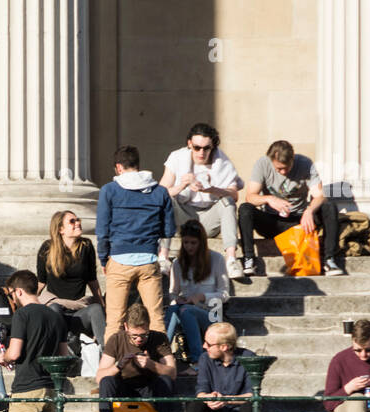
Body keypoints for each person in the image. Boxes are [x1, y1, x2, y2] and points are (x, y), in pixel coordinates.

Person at [0, 270, 70, 412]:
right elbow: (63, 356)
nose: (13, 298)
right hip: (50, 389)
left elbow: (16, 352)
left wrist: (4, 357)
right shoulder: (56, 316)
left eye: (12, 294)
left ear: (18, 291)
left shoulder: (22, 315)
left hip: (26, 389)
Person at [96, 145, 175, 341]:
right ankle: (162, 365)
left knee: (114, 319)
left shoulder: (109, 190)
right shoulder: (160, 192)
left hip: (119, 259)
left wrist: (103, 259)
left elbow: (102, 230)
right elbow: (169, 230)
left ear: (118, 167)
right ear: (138, 165)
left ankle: (111, 366)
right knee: (156, 318)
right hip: (148, 259)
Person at [239, 139, 343, 276]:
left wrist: (309, 210)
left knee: (329, 206)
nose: (282, 172)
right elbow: (250, 197)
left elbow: (320, 196)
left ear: (293, 159)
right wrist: (269, 199)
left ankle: (329, 260)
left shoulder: (305, 163)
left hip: (300, 221)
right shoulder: (262, 164)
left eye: (286, 168)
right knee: (245, 208)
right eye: (278, 169)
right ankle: (249, 259)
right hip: (272, 222)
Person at [159, 123, 244, 279]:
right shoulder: (177, 158)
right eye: (197, 147)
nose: (201, 152)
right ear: (189, 144)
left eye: (206, 148)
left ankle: (231, 259)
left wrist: (211, 189)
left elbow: (234, 194)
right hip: (183, 215)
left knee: (228, 201)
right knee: (167, 200)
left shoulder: (222, 162)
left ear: (213, 147)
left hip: (209, 218)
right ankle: (163, 257)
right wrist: (182, 185)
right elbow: (159, 194)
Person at [95, 302, 176, 412]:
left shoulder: (159, 338)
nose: (139, 340)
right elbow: (99, 377)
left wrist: (151, 364)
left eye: (144, 335)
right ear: (126, 327)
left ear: (149, 327)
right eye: (134, 336)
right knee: (107, 381)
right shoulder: (116, 339)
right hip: (124, 385)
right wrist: (119, 366)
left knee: (165, 380)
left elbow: (172, 373)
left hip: (149, 387)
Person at [36, 209, 105, 345]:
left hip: (78, 310)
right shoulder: (47, 248)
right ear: (61, 229)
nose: (77, 223)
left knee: (96, 309)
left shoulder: (86, 246)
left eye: (78, 220)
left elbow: (92, 280)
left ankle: (108, 356)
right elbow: (41, 282)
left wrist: (103, 306)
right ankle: (58, 353)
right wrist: (26, 304)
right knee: (54, 309)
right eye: (72, 221)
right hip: (56, 309)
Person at [166, 219, 229, 366]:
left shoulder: (216, 259)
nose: (189, 247)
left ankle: (197, 360)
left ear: (201, 243)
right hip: (185, 309)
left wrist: (202, 297)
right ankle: (162, 354)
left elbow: (225, 294)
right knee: (174, 309)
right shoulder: (178, 263)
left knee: (186, 311)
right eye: (186, 243)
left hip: (212, 313)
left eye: (193, 243)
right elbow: (172, 293)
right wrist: (177, 299)